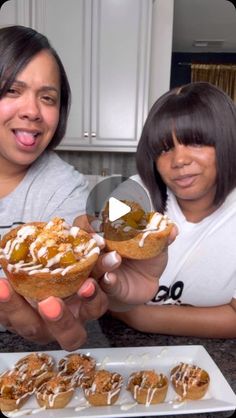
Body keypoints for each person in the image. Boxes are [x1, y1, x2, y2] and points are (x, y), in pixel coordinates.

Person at [0, 25, 177, 351]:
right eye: (11, 90)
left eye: (48, 97)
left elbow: (82, 274)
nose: (32, 111)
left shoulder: (64, 189)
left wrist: (100, 289)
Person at [113, 82, 236, 338]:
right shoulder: (130, 196)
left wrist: (139, 316)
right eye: (165, 148)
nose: (179, 160)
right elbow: (102, 284)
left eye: (196, 142)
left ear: (227, 142)